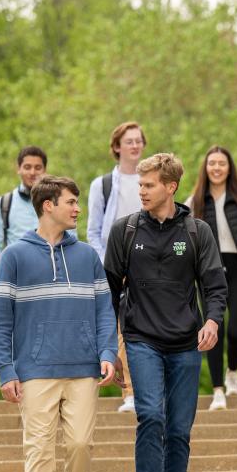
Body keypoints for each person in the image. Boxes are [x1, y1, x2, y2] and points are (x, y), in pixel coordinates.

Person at [0, 175, 118, 472]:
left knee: (80, 445)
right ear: (48, 205)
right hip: (35, 371)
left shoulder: (87, 257)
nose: (77, 209)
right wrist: (6, 369)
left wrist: (108, 350)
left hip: (82, 369)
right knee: (38, 451)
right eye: (71, 202)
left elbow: (103, 309)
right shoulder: (14, 256)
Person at [104, 153, 227, 472]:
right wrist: (111, 347)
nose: (141, 191)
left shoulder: (196, 232)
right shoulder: (125, 230)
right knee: (151, 417)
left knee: (178, 429)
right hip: (141, 339)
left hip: (186, 344)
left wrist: (212, 321)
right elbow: (107, 292)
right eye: (140, 185)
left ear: (170, 187)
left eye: (149, 185)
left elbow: (215, 287)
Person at [186, 145, 237, 410]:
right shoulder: (194, 200)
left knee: (236, 328)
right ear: (205, 168)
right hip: (209, 270)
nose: (216, 168)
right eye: (212, 163)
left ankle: (233, 372)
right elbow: (183, 237)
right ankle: (218, 389)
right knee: (211, 329)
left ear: (229, 167)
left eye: (221, 163)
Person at [87, 121, 147, 415]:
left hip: (149, 264)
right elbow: (93, 232)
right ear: (117, 147)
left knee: (149, 327)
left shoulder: (151, 181)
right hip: (114, 265)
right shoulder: (103, 185)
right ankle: (130, 393)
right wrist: (108, 266)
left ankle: (151, 390)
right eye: (129, 141)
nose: (135, 146)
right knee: (121, 329)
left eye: (139, 141)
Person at [0, 146, 48, 276]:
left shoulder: (57, 203)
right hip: (16, 277)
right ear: (18, 169)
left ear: (45, 170)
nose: (32, 172)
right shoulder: (2, 205)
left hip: (52, 278)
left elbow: (70, 240)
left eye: (38, 167)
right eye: (27, 167)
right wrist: (1, 281)